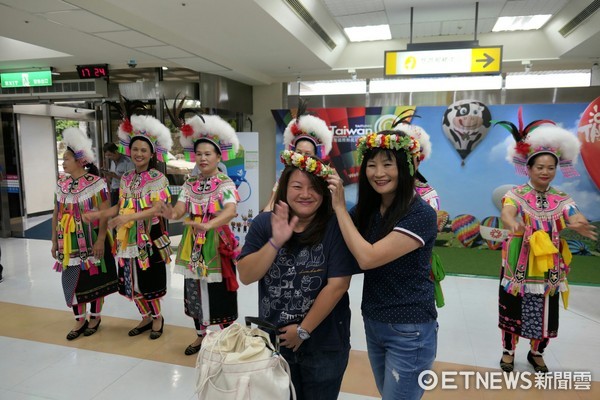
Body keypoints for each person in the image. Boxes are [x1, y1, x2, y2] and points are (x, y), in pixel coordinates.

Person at [326, 130, 438, 400]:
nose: (379, 172)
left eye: (388, 164)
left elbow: (368, 257)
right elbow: (335, 233)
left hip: (410, 329)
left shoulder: (420, 213)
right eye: (372, 164)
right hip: (374, 321)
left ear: (406, 166)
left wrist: (340, 207)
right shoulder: (370, 209)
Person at [238, 150, 358, 400]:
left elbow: (338, 285)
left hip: (325, 343)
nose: (305, 194)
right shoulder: (264, 223)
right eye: (297, 186)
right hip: (275, 341)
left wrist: (303, 330)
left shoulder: (335, 225)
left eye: (314, 187)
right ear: (284, 188)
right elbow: (247, 275)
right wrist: (275, 242)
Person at [494, 113, 597, 373]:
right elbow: (507, 212)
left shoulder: (561, 196)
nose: (545, 172)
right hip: (520, 262)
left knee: (546, 310)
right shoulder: (515, 194)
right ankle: (508, 352)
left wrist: (579, 222)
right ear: (528, 168)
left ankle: (537, 352)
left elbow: (573, 213)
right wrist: (511, 222)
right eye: (540, 167)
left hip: (549, 264)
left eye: (551, 168)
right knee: (513, 307)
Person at [85, 112, 173, 340]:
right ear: (129, 151)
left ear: (152, 153)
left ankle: (157, 318)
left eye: (144, 150)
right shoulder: (125, 178)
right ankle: (144, 316)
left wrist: (128, 218)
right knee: (130, 280)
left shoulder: (158, 178)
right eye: (135, 150)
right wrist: (101, 213)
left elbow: (157, 209)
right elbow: (120, 207)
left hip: (149, 239)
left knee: (149, 281)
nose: (139, 154)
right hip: (127, 239)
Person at [161, 113, 240, 355]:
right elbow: (180, 210)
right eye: (200, 154)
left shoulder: (225, 183)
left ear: (218, 156)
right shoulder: (189, 184)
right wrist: (169, 212)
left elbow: (231, 210)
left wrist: (209, 225)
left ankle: (227, 337)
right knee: (194, 289)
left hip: (216, 243)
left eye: (208, 154)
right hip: (192, 244)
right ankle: (201, 336)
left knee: (220, 290)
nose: (203, 158)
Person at [51, 127, 118, 340]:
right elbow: (56, 213)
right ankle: (79, 320)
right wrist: (54, 241)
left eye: (67, 158)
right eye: (63, 159)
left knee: (94, 279)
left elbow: (105, 213)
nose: (63, 163)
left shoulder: (97, 184)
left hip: (92, 240)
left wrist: (100, 240)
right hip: (68, 243)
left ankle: (95, 317)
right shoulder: (62, 184)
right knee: (72, 279)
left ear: (80, 161)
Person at [392, 112, 446, 308]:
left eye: (411, 156)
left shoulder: (429, 195)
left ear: (419, 159)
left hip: (415, 272)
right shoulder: (383, 191)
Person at [263, 99, 333, 212]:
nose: (303, 158)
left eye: (308, 154)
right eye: (299, 153)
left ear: (317, 155)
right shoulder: (285, 175)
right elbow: (271, 204)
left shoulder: (325, 176)